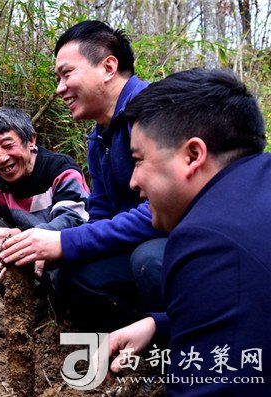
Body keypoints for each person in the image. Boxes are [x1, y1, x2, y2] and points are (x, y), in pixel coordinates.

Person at [108, 68, 270, 396]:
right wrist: (160, 323)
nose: (133, 182)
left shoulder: (209, 239)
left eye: (138, 160)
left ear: (192, 155)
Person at [0, 20, 168, 329]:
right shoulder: (98, 137)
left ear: (108, 67)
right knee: (71, 276)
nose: (60, 88)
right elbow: (101, 212)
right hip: (136, 242)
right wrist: (52, 248)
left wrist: (65, 241)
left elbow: (158, 214)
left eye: (67, 74)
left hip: (176, 241)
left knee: (150, 261)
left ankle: (177, 339)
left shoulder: (154, 114)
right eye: (58, 78)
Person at [0, 106, 90, 299]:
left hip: (61, 260)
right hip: (23, 266)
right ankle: (19, 303)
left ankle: (59, 311)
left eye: (8, 145)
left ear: (31, 140)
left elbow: (73, 219)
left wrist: (23, 238)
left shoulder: (61, 169)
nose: (1, 158)